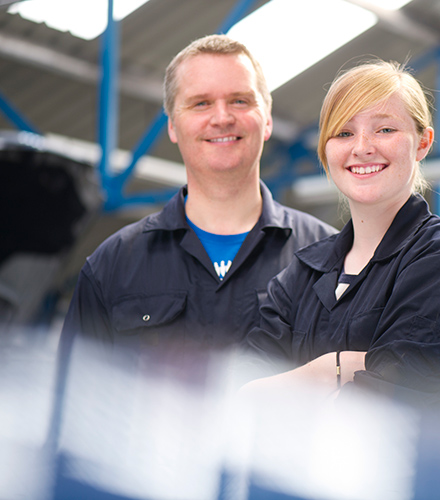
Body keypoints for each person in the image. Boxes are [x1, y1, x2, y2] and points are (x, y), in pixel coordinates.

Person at [59, 34, 337, 356]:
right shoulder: (112, 266)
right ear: (173, 126)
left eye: (240, 101)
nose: (221, 117)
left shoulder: (329, 261)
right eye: (201, 103)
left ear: (268, 119)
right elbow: (76, 399)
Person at [245, 60, 440, 408]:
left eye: (384, 130)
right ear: (326, 149)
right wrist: (333, 369)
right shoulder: (300, 277)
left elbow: (387, 415)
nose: (362, 147)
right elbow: (242, 401)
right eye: (344, 133)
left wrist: (294, 388)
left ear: (423, 143)